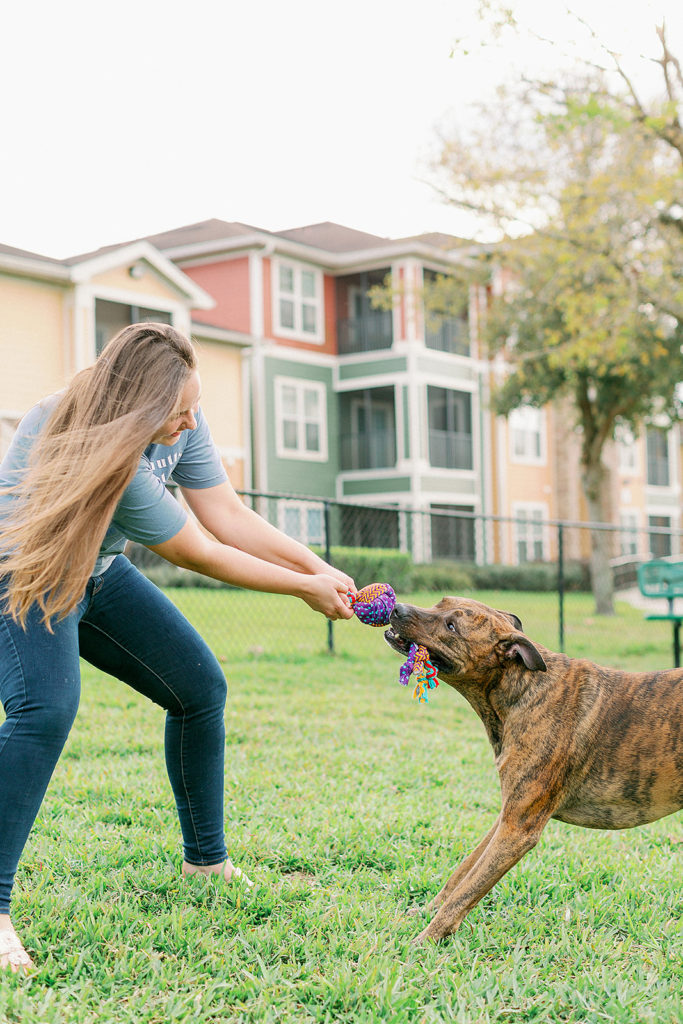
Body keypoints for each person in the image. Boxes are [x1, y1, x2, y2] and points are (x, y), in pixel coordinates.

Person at [0, 323, 356, 973]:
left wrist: (319, 569)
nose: (190, 423)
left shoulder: (180, 414)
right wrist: (302, 590)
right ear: (136, 407)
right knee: (43, 713)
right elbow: (200, 551)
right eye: (178, 412)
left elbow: (228, 515)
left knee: (197, 689)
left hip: (96, 571)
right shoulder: (82, 432)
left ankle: (206, 865)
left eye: (194, 406)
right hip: (25, 573)